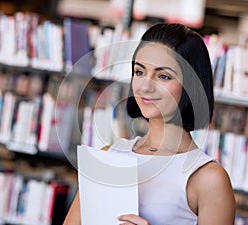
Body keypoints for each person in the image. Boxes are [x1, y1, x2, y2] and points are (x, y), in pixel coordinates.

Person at [63, 23, 236, 225]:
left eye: (163, 76)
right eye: (139, 72)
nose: (145, 86)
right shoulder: (108, 157)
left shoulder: (208, 179)